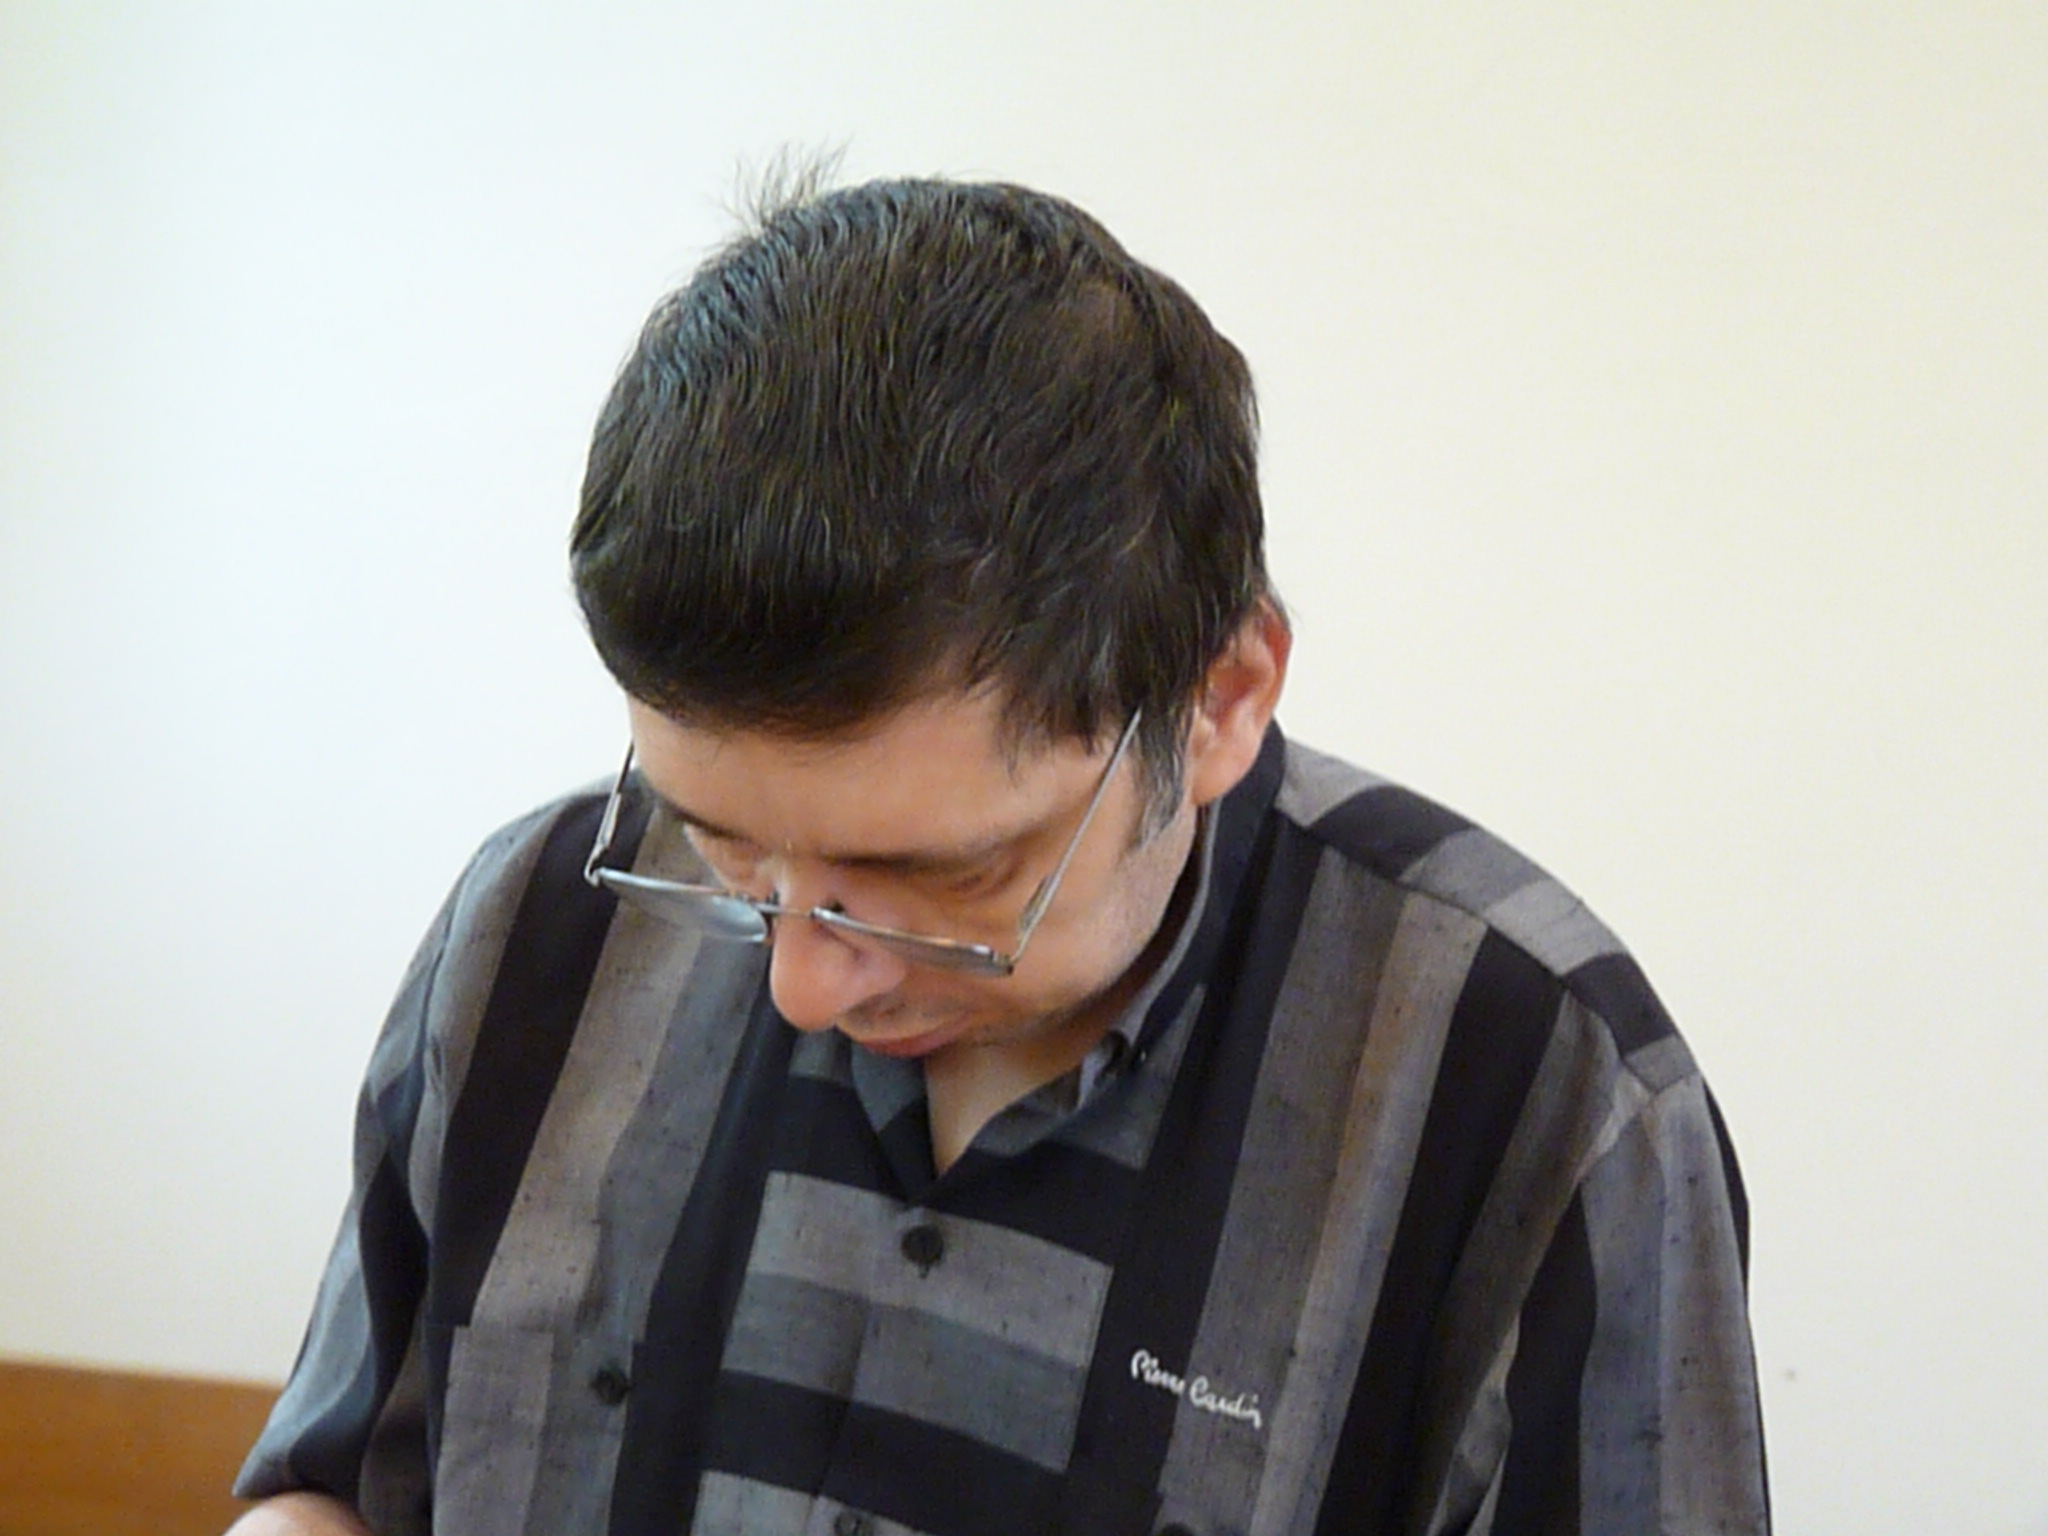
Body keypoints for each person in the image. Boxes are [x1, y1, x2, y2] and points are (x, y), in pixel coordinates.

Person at [228, 175, 1769, 1536]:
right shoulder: (538, 932)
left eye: (947, 878)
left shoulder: (1534, 1092)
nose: (806, 983)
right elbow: (343, 1481)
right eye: (727, 848)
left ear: (1220, 697)